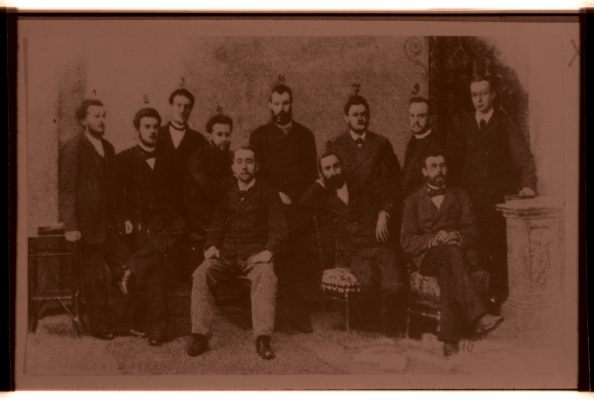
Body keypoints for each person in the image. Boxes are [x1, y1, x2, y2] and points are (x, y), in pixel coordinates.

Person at [401, 147, 503, 356]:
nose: (439, 170)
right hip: (428, 258)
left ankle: (449, 340)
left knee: (450, 264)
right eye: (433, 166)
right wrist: (433, 239)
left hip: (456, 256)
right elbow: (407, 241)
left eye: (442, 165)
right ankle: (478, 316)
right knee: (450, 253)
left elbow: (473, 231)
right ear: (424, 171)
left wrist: (455, 235)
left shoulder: (460, 195)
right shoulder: (413, 201)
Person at [187, 147, 287, 360]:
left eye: (249, 162)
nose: (244, 166)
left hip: (255, 255)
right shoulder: (227, 192)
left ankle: (262, 338)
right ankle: (199, 335)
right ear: (233, 168)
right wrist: (211, 246)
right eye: (239, 162)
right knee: (201, 273)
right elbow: (216, 224)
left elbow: (279, 228)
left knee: (267, 276)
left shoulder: (267, 192)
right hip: (227, 254)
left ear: (256, 166)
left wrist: (268, 251)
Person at [448, 75, 537, 311]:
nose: (479, 99)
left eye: (483, 94)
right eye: (474, 95)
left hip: (497, 201)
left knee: (497, 250)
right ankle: (475, 305)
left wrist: (527, 184)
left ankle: (497, 300)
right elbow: (456, 162)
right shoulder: (465, 124)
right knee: (473, 251)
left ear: (493, 95)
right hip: (471, 200)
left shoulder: (505, 122)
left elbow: (524, 159)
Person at [301, 152, 405, 335]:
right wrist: (318, 184)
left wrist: (384, 212)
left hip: (381, 245)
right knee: (366, 283)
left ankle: (392, 331)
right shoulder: (326, 196)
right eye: (327, 169)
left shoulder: (362, 184)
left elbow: (395, 194)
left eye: (336, 166)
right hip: (357, 252)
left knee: (393, 286)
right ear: (322, 174)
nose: (333, 172)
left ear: (342, 166)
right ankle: (374, 327)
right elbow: (303, 203)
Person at [249, 83, 318, 333]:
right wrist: (277, 196)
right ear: (270, 105)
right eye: (277, 103)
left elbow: (311, 175)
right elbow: (255, 175)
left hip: (299, 208)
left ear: (292, 104)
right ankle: (274, 317)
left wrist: (301, 202)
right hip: (271, 208)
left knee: (299, 260)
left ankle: (298, 316)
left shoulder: (305, 135)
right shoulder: (259, 136)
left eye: (286, 103)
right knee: (275, 260)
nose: (281, 108)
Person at [117, 107, 185, 346]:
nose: (152, 131)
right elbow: (116, 195)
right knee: (157, 265)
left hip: (166, 224)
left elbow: (178, 195)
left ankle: (131, 267)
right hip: (140, 225)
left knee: (175, 233)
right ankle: (158, 330)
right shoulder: (124, 159)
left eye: (156, 127)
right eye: (147, 126)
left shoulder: (170, 159)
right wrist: (125, 218)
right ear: (137, 130)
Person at [58, 98, 126, 340]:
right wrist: (71, 226)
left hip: (109, 225)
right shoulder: (74, 148)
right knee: (95, 277)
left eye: (103, 115)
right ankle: (99, 326)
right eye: (96, 116)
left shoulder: (108, 147)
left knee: (122, 268)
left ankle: (120, 321)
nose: (101, 120)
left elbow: (115, 189)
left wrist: (122, 218)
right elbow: (67, 190)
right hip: (86, 228)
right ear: (83, 120)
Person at [326, 94, 402, 248]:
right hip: (349, 217)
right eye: (355, 115)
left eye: (363, 114)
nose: (360, 118)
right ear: (346, 118)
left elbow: (397, 181)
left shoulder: (381, 144)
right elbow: (331, 186)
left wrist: (386, 211)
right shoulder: (336, 145)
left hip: (377, 215)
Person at [156, 88, 207, 281]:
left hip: (190, 208)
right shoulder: (157, 135)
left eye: (187, 107)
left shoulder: (198, 140)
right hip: (163, 206)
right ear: (171, 106)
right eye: (178, 105)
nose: (182, 110)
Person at [184, 113, 235, 252]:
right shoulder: (197, 158)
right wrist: (235, 177)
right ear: (209, 136)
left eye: (227, 135)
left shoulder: (230, 156)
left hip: (222, 216)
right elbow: (211, 190)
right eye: (219, 134)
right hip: (201, 219)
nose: (224, 139)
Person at [401, 97, 444, 196]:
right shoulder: (413, 140)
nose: (415, 121)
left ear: (431, 119)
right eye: (412, 116)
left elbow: (432, 184)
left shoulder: (435, 144)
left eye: (421, 116)